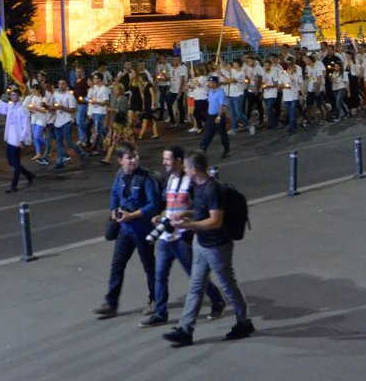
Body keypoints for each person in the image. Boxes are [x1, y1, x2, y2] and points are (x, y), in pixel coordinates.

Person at [162, 150, 254, 345]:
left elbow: (215, 221)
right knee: (195, 286)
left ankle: (244, 322)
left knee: (228, 286)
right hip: (201, 243)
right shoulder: (199, 186)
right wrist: (185, 214)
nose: (184, 170)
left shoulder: (213, 189)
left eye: (186, 167)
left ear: (194, 170)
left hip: (217, 247)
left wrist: (187, 225)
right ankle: (185, 329)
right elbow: (201, 211)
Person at [141, 145, 226, 327]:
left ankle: (217, 300)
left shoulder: (192, 182)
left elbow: (200, 211)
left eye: (167, 159)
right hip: (166, 235)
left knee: (194, 276)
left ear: (179, 161)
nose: (164, 163)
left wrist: (184, 216)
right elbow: (169, 207)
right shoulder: (170, 179)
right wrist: (161, 216)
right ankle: (160, 313)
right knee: (160, 275)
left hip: (183, 236)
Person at [93, 143, 161, 318]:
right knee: (117, 265)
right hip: (125, 229)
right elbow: (115, 195)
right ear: (120, 161)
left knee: (148, 266)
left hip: (142, 229)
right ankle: (111, 303)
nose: (134, 160)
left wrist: (133, 215)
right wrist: (114, 211)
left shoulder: (146, 178)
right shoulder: (120, 175)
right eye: (129, 158)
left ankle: (155, 299)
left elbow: (153, 205)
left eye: (135, 156)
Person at [0, 85, 36, 193]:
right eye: (12, 95)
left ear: (19, 97)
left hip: (17, 140)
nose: (13, 97)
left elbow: (25, 125)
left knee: (16, 163)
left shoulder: (22, 109)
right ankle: (29, 175)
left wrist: (22, 139)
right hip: (10, 138)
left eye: (15, 95)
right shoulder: (10, 107)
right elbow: (0, 106)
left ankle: (13, 185)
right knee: (10, 161)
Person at [200, 76, 231, 158]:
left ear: (215, 83)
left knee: (222, 134)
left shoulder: (220, 93)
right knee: (207, 134)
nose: (209, 84)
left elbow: (221, 105)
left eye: (210, 82)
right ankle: (202, 149)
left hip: (218, 116)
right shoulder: (210, 92)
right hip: (210, 117)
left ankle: (226, 150)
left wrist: (219, 117)